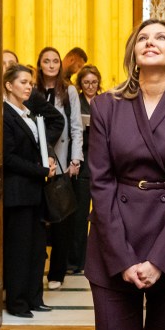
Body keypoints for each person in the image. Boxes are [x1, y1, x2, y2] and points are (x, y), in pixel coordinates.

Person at [86, 19, 165, 330]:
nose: (150, 42)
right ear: (133, 53)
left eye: (160, 37)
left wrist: (160, 260)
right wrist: (123, 258)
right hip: (114, 241)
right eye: (142, 38)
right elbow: (101, 184)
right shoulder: (105, 106)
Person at [1, 64, 65, 318]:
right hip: (18, 193)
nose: (29, 87)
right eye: (23, 82)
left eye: (30, 83)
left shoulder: (29, 111)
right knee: (19, 250)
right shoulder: (5, 114)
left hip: (36, 192)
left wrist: (48, 157)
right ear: (9, 85)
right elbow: (8, 158)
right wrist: (41, 170)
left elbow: (42, 141)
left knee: (37, 249)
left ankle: (34, 298)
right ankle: (17, 303)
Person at [34, 47, 85, 291]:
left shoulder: (70, 90)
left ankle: (57, 273)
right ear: (40, 64)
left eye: (55, 61)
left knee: (63, 219)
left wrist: (75, 161)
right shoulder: (33, 89)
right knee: (39, 220)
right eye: (47, 61)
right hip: (37, 161)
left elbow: (76, 127)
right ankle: (35, 270)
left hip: (64, 163)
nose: (52, 65)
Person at [68, 64, 103, 275]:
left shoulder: (105, 101)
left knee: (101, 217)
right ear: (80, 84)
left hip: (100, 162)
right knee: (79, 216)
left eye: (94, 82)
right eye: (86, 82)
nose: (90, 86)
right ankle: (76, 261)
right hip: (82, 161)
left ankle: (96, 259)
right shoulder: (76, 102)